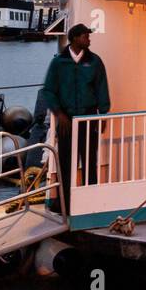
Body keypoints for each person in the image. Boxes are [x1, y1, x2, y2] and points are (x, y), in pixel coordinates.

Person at [40, 24, 111, 213]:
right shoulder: (59, 63)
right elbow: (48, 90)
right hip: (66, 121)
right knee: (65, 162)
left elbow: (101, 88)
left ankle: (90, 203)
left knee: (90, 160)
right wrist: (59, 113)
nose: (89, 39)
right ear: (76, 39)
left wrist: (103, 114)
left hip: (89, 119)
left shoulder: (95, 62)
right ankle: (66, 203)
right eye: (86, 36)